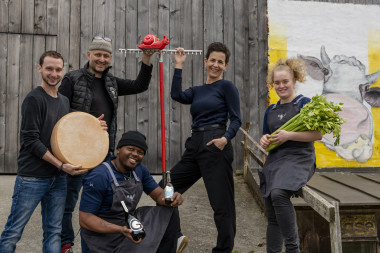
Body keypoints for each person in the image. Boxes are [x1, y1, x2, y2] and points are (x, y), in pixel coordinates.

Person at [58, 36, 154, 252]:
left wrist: (146, 58)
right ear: (89, 55)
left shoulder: (111, 82)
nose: (101, 59)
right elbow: (60, 116)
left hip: (102, 154)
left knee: (100, 206)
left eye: (106, 55)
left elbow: (139, 85)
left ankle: (102, 243)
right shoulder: (72, 79)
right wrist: (89, 124)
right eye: (98, 54)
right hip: (75, 154)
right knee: (69, 203)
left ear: (110, 58)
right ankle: (66, 243)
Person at [0, 51, 88, 253]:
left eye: (58, 69)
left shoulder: (64, 101)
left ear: (62, 70)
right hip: (32, 178)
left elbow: (68, 132)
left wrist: (93, 126)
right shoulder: (34, 99)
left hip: (57, 180)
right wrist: (61, 165)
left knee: (54, 232)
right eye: (49, 68)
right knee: (14, 231)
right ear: (39, 68)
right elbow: (31, 140)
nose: (54, 73)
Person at [164, 42, 241, 253]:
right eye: (213, 60)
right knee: (165, 187)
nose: (216, 65)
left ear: (225, 66)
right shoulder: (198, 90)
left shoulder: (227, 87)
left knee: (221, 204)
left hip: (215, 143)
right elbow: (176, 95)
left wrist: (225, 138)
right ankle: (176, 237)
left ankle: (223, 250)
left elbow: (236, 119)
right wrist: (178, 66)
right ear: (205, 61)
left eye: (221, 62)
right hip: (195, 144)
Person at [79, 130, 184, 253]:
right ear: (118, 149)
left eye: (140, 152)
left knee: (169, 210)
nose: (135, 154)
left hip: (128, 227)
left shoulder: (139, 170)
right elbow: (85, 219)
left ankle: (168, 247)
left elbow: (159, 195)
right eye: (130, 149)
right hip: (101, 237)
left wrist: (171, 198)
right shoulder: (99, 175)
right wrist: (120, 229)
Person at [259, 58, 322, 253]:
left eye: (285, 81)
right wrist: (264, 141)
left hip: (300, 158)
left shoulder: (305, 104)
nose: (281, 86)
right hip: (276, 160)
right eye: (277, 82)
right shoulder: (271, 110)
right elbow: (266, 136)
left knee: (279, 193)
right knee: (271, 209)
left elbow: (318, 134)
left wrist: (289, 135)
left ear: (294, 79)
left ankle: (293, 249)